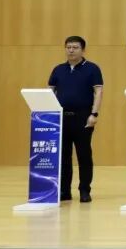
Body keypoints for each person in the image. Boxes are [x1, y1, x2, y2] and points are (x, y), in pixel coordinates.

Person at [47, 36, 103, 203]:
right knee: (64, 156)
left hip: (83, 118)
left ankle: (84, 190)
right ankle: (65, 191)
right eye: (68, 47)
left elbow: (98, 92)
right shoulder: (58, 69)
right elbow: (50, 92)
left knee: (84, 155)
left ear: (83, 50)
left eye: (75, 47)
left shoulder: (92, 68)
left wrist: (94, 114)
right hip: (62, 118)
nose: (71, 50)